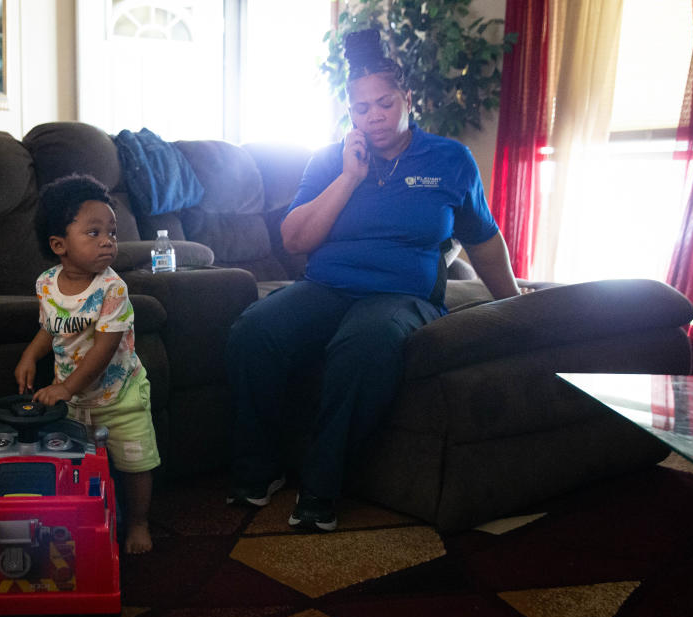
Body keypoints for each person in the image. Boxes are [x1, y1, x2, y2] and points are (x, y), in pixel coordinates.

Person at [225, 28, 524, 532]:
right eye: (361, 108)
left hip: (403, 295)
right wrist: (349, 177)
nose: (374, 116)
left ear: (408, 98)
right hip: (326, 288)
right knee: (252, 332)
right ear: (350, 112)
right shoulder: (330, 161)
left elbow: (484, 241)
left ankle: (321, 488)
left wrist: (515, 305)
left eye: (385, 103)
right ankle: (260, 470)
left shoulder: (451, 160)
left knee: (361, 347)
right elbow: (295, 240)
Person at [15, 174, 159, 553]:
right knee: (78, 466)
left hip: (119, 396)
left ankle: (139, 523)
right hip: (75, 404)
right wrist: (31, 354)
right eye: (93, 232)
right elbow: (51, 327)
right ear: (59, 245)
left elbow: (104, 348)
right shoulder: (46, 284)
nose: (108, 240)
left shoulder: (112, 288)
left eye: (111, 231)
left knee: (134, 462)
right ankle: (85, 520)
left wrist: (65, 388)